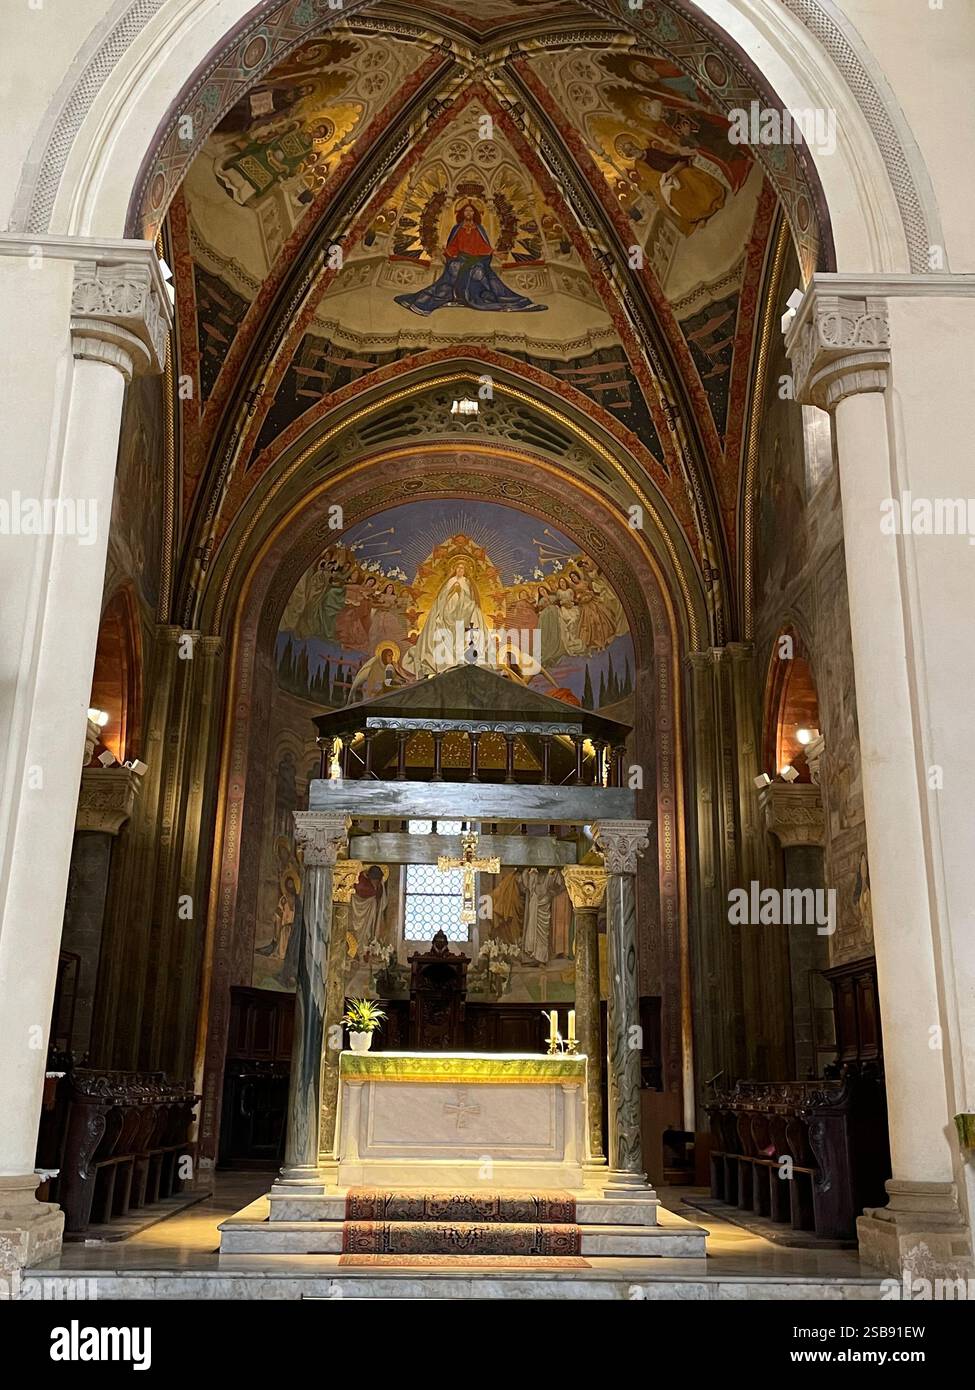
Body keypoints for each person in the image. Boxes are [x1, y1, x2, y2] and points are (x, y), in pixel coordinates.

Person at [394, 202, 548, 315]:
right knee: (455, 268)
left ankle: (484, 298)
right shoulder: (457, 228)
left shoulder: (479, 229)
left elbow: (483, 246)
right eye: (466, 211)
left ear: (474, 213)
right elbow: (453, 246)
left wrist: (493, 253)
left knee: (479, 271)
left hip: (477, 259)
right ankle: (443, 299)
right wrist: (445, 251)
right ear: (462, 213)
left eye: (471, 211)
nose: (468, 213)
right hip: (461, 258)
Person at [411, 558, 490, 674]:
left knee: (472, 616)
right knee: (441, 628)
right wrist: (452, 591)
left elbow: (470, 598)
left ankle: (462, 657)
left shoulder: (467, 582)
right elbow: (442, 597)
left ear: (465, 570)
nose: (460, 570)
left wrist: (461, 592)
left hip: (463, 611)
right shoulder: (450, 581)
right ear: (454, 569)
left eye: (462, 568)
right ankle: (446, 661)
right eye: (458, 567)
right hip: (447, 610)